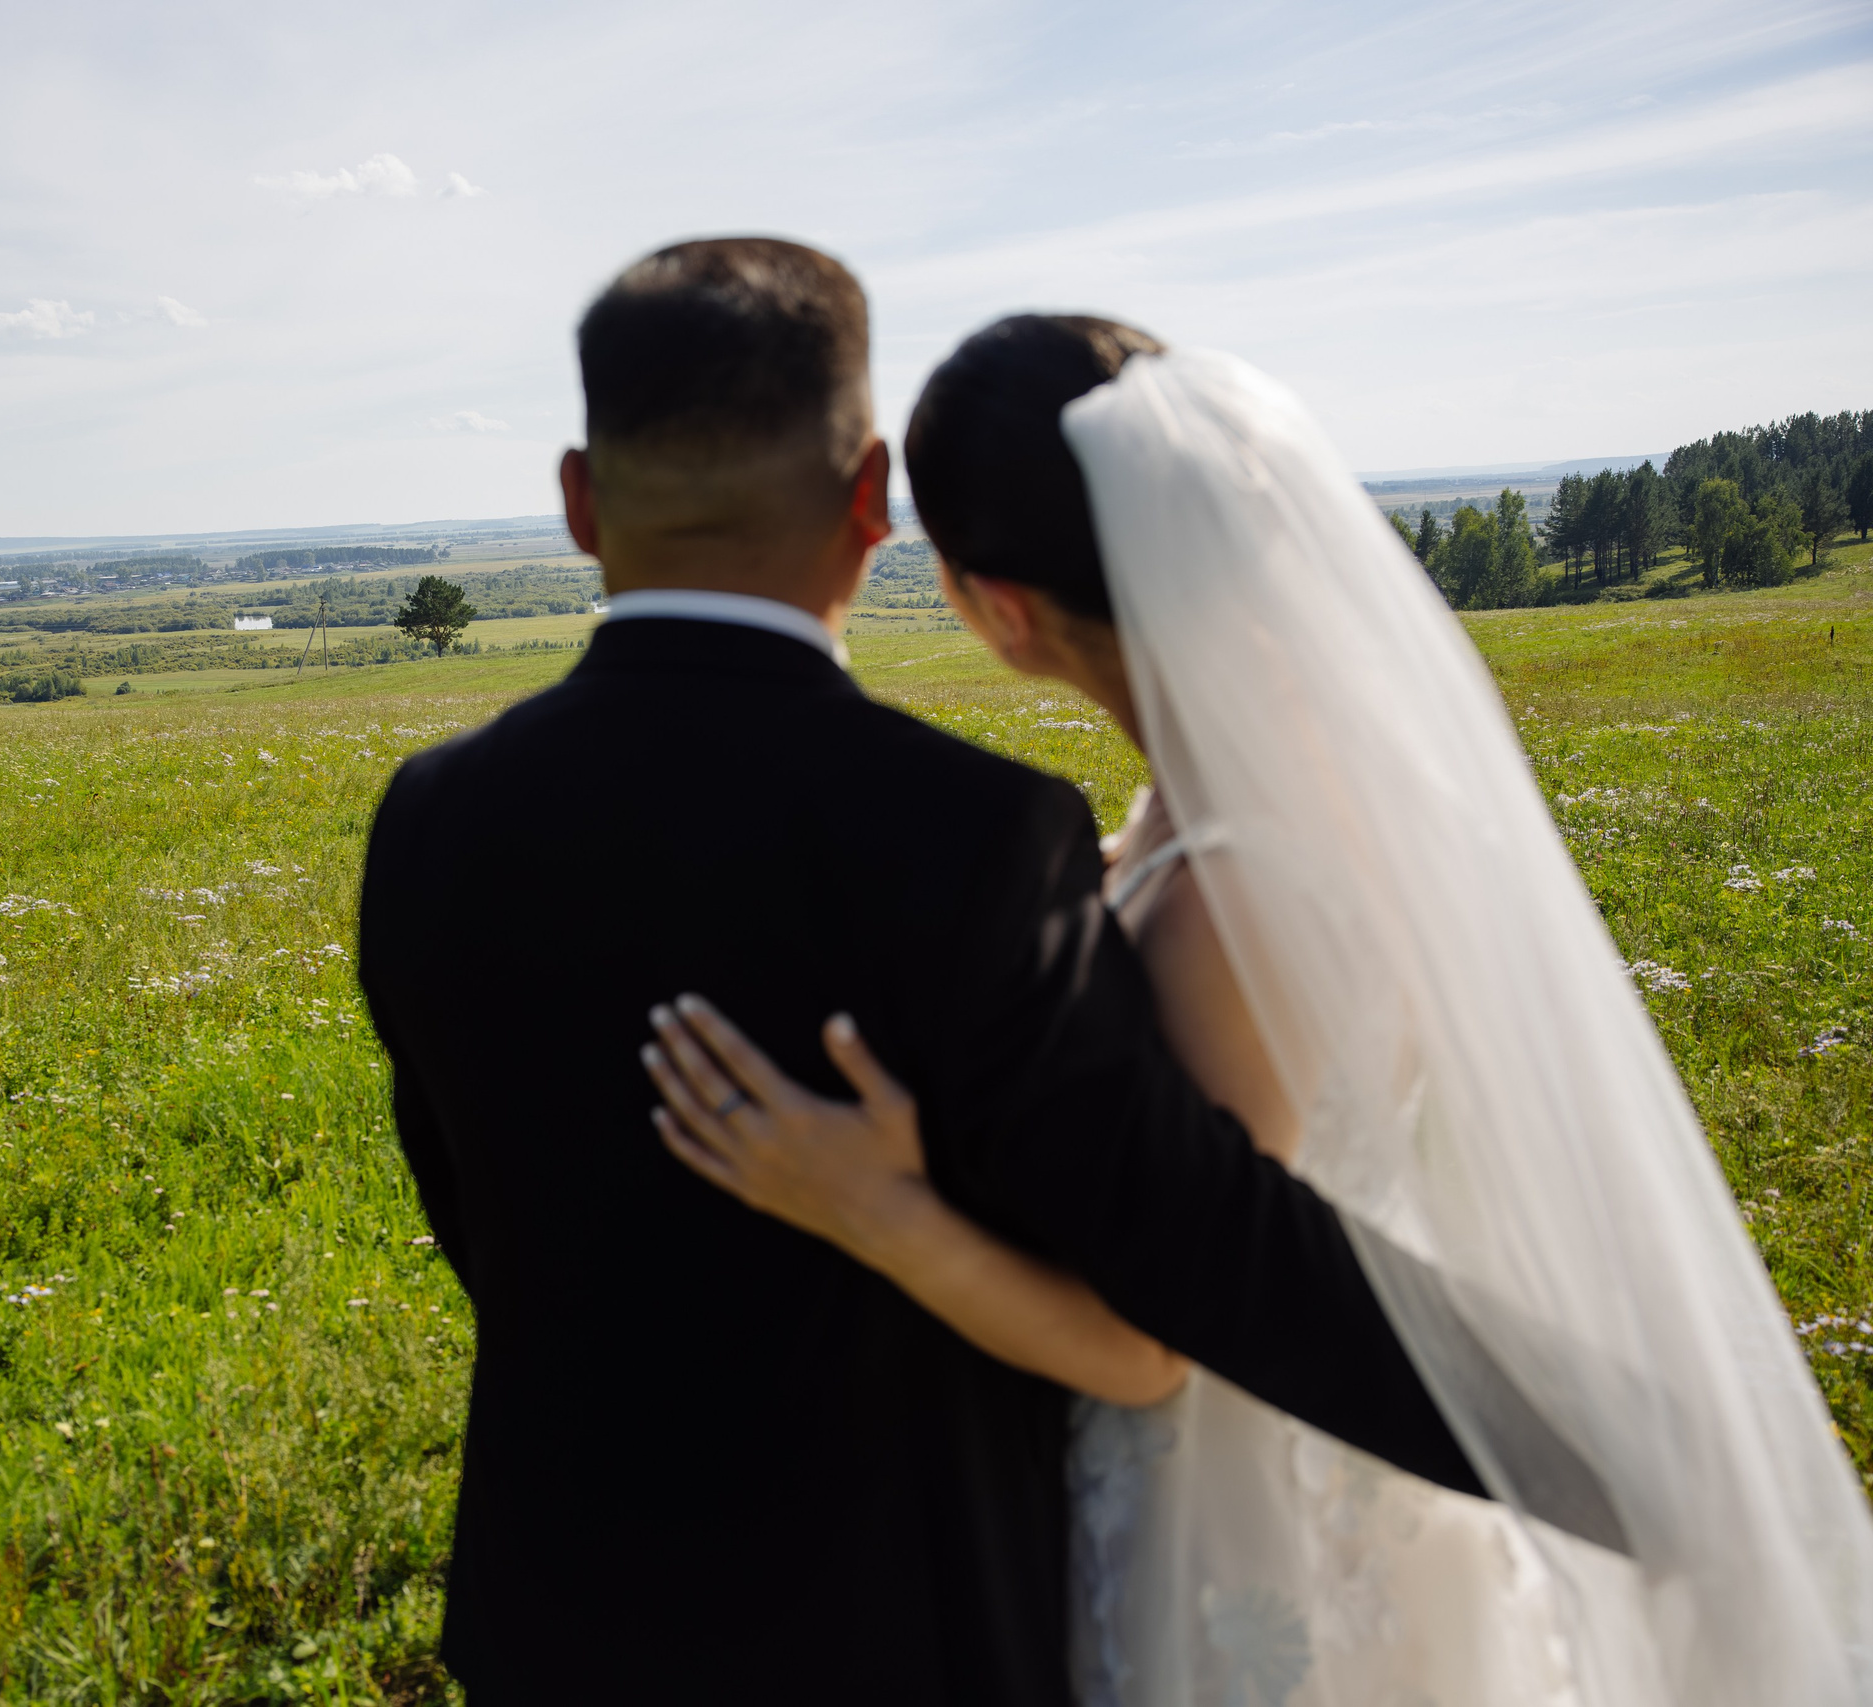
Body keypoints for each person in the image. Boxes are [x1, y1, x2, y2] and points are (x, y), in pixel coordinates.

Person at [640, 315, 1873, 1704]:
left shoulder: (1244, 886)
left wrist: (877, 1207)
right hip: (1347, 1442)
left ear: (994, 605)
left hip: (1259, 1514)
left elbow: (1157, 1341)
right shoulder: (1250, 785)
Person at [355, 240, 1482, 1707]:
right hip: (913, 1625)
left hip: (552, 1623)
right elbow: (1175, 1268)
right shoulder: (983, 836)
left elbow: (476, 1211)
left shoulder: (430, 824)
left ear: (578, 501)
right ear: (872, 498)